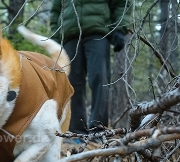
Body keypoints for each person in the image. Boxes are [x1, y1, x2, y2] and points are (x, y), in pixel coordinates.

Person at [50, 0, 131, 140]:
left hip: (98, 33)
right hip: (70, 36)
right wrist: (56, 39)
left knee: (99, 78)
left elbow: (121, 3)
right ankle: (76, 132)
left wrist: (119, 28)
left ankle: (98, 131)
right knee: (71, 84)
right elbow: (56, 11)